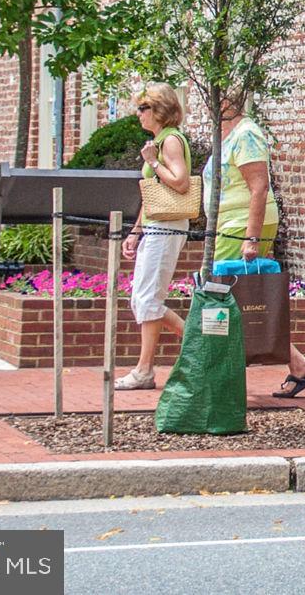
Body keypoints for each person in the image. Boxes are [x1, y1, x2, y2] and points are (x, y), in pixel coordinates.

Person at [214, 90, 305, 398]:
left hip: (240, 225)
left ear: (227, 100)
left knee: (224, 298)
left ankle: (225, 379)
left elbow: (259, 187)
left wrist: (251, 238)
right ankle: (297, 364)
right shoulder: (229, 133)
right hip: (229, 223)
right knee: (234, 298)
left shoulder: (246, 134)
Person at [115, 85, 193, 391]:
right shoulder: (159, 141)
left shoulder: (170, 140)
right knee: (141, 299)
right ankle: (196, 343)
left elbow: (181, 182)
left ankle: (145, 369)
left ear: (159, 110)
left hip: (168, 226)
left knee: (148, 299)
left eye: (142, 108)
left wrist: (154, 162)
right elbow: (153, 195)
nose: (138, 114)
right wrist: (136, 231)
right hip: (155, 225)